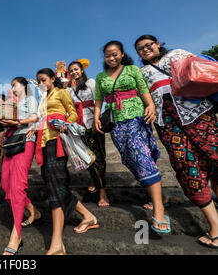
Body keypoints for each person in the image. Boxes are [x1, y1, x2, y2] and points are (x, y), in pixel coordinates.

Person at [135, 35, 218, 248]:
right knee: (187, 168)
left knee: (216, 158)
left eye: (148, 45)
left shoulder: (179, 54)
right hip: (167, 123)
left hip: (199, 114)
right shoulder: (141, 73)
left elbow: (205, 71)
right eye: (140, 49)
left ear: (157, 44)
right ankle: (215, 227)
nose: (145, 50)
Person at [94, 40, 170, 234]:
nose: (111, 58)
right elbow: (98, 99)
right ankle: (155, 191)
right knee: (129, 158)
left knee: (140, 155)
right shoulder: (101, 76)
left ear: (121, 54)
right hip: (116, 121)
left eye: (115, 54)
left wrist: (150, 105)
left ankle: (159, 210)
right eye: (107, 55)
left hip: (137, 115)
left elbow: (143, 89)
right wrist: (96, 117)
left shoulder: (132, 70)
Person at [36, 68, 99, 255]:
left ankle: (57, 244)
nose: (41, 83)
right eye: (39, 81)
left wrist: (65, 124)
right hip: (44, 142)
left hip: (58, 140)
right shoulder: (41, 99)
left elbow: (72, 112)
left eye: (44, 79)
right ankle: (88, 216)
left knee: (56, 186)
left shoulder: (61, 92)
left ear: (53, 78)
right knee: (53, 185)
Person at [0, 77, 42, 255]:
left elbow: (35, 117)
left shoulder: (30, 99)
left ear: (24, 86)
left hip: (26, 140)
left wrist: (18, 122)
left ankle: (16, 235)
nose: (12, 88)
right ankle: (33, 211)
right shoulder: (10, 104)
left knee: (18, 186)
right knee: (6, 185)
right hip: (11, 142)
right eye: (11, 85)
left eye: (15, 85)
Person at [68, 61, 109, 207]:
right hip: (79, 127)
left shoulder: (91, 82)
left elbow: (99, 100)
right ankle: (95, 180)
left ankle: (102, 191)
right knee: (88, 158)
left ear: (82, 70)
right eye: (71, 71)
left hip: (93, 123)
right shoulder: (70, 90)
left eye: (76, 70)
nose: (74, 72)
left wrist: (96, 120)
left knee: (98, 158)